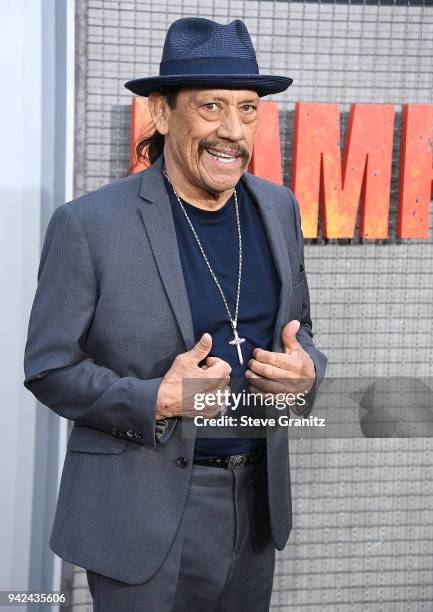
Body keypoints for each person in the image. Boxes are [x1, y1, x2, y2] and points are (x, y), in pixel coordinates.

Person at [23, 16, 327, 612]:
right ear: (161, 114)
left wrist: (306, 372)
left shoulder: (278, 206)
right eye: (211, 107)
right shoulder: (88, 225)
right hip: (140, 515)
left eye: (247, 109)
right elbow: (49, 367)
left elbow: (303, 332)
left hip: (255, 508)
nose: (232, 131)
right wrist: (155, 399)